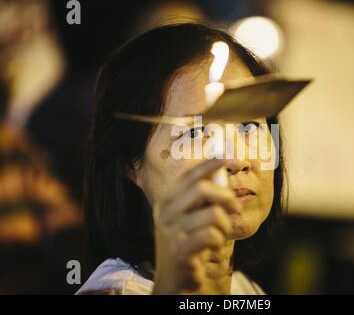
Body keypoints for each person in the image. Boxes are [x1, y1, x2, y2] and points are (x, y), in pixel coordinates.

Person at [77, 23, 285, 295]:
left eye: (248, 127)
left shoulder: (246, 290)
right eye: (197, 133)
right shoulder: (115, 291)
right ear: (131, 164)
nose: (238, 159)